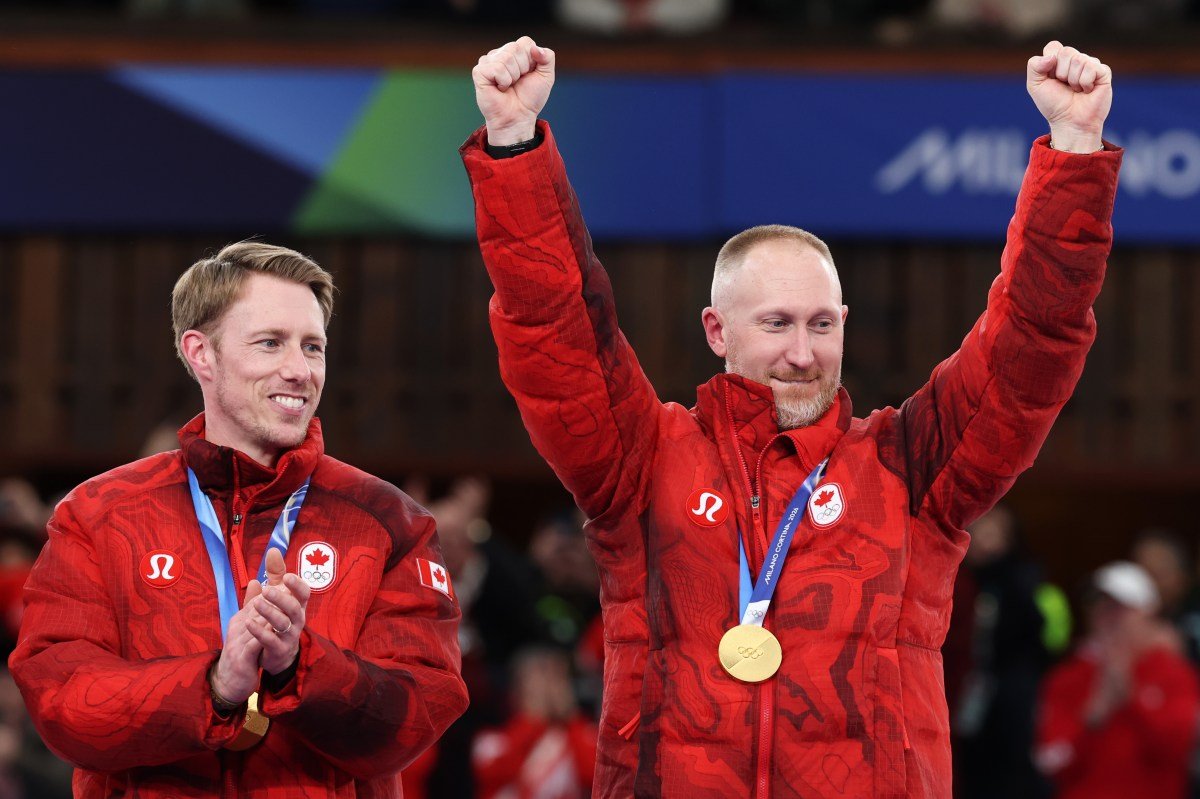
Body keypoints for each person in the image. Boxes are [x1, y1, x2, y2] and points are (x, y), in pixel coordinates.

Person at [463, 36, 1121, 798]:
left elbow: (1031, 342)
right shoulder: (642, 458)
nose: (803, 353)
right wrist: (515, 145)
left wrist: (1074, 151)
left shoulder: (913, 467)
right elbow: (557, 331)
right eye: (776, 324)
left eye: (821, 324)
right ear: (717, 330)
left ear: (844, 322)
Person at [8, 243, 468, 797]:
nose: (299, 371)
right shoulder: (100, 514)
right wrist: (216, 688)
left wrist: (301, 664)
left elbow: (421, 712)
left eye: (313, 347)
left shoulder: (387, 520)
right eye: (271, 343)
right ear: (201, 353)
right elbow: (60, 699)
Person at [1035, 561, 1199, 799]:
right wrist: (1095, 714)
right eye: (1098, 605)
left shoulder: (1174, 673)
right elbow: (1050, 761)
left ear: (1148, 613)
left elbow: (1179, 752)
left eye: (1119, 607)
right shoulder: (1067, 677)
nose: (1107, 615)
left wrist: (1131, 698)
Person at [472, 646, 598, 799]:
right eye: (539, 680)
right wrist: (533, 719)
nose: (547, 690)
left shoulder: (579, 734)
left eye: (557, 679)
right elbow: (499, 773)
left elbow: (594, 778)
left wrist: (571, 715)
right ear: (517, 690)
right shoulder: (490, 741)